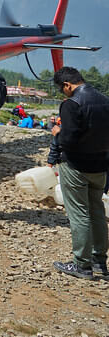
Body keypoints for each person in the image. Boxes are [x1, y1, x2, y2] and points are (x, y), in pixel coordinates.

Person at [49, 66, 109, 280]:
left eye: (61, 89)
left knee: (79, 214)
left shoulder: (72, 104)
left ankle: (82, 265)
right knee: (97, 212)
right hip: (100, 165)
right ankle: (100, 261)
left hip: (75, 165)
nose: (63, 93)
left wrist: (57, 132)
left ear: (67, 85)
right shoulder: (104, 100)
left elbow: (69, 140)